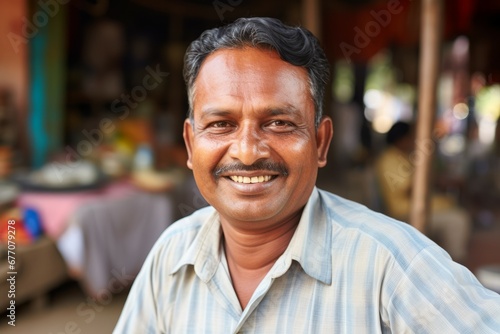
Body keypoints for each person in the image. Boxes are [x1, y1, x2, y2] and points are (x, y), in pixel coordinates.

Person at [114, 17, 500, 333]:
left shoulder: (391, 265)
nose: (247, 152)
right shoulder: (172, 255)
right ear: (189, 143)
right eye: (220, 124)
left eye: (279, 122)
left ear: (320, 142)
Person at [375, 121, 471, 263]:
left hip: (417, 207)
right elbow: (410, 189)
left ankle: (446, 262)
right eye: (411, 136)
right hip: (405, 212)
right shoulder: (388, 159)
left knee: (456, 212)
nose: (413, 140)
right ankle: (457, 264)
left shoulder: (403, 156)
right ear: (401, 138)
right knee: (457, 220)